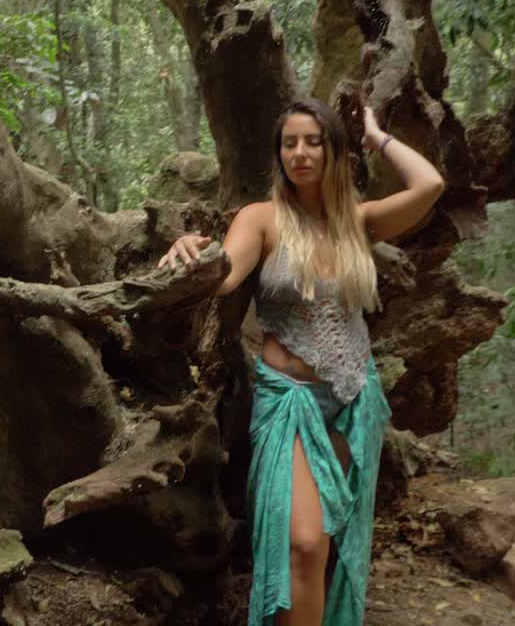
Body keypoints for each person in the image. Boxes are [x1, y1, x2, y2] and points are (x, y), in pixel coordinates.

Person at [157, 99, 444, 625]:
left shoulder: (357, 222)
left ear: (334, 151)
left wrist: (376, 135)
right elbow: (223, 274)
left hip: (354, 403)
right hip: (288, 402)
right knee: (304, 542)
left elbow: (430, 186)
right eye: (290, 143)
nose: (300, 152)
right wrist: (189, 253)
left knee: (326, 552)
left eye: (313, 141)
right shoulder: (261, 219)